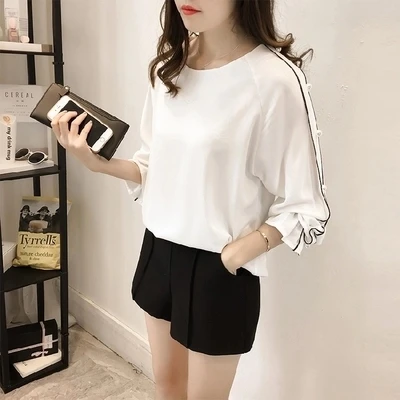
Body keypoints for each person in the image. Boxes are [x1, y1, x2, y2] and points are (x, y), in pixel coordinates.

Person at [50, 1, 330, 399]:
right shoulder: (170, 66)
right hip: (158, 250)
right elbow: (153, 165)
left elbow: (305, 204)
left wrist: (239, 252)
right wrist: (97, 164)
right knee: (167, 385)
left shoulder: (274, 80)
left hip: (219, 267)